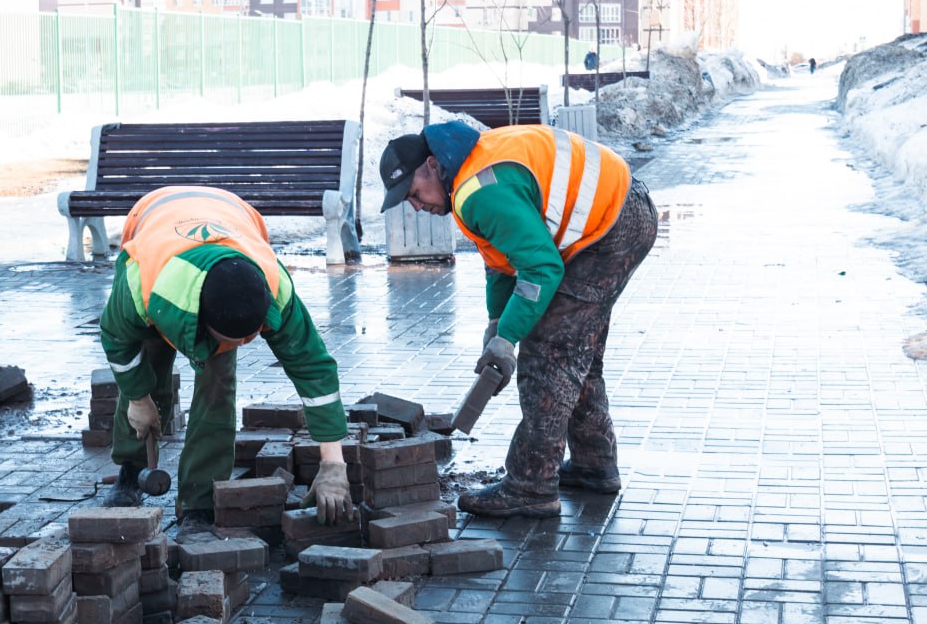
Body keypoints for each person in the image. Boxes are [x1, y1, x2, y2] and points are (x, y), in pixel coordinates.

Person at [379, 120, 658, 518]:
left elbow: (542, 270)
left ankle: (531, 485)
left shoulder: (479, 191)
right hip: (622, 209)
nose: (415, 205)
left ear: (430, 165)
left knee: (549, 355)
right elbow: (502, 263)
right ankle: (594, 464)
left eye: (412, 192)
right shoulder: (469, 176)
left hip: (613, 228)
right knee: (576, 353)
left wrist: (509, 339)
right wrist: (496, 324)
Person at [97, 185, 354, 537]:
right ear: (201, 319)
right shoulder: (142, 284)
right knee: (150, 361)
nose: (237, 346)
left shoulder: (275, 287)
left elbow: (313, 367)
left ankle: (199, 502)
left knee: (218, 382)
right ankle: (131, 470)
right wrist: (139, 398)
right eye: (228, 339)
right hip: (153, 221)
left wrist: (333, 463)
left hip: (233, 216)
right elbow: (117, 341)